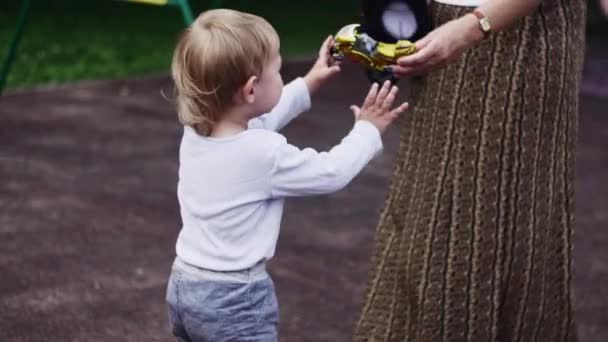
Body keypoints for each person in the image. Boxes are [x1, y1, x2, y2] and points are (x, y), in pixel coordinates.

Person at [165, 9, 409, 341]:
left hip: (183, 285)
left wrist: (309, 83)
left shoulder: (197, 131)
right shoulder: (264, 154)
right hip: (233, 300)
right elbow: (330, 172)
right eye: (278, 70)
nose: (282, 75)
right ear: (251, 89)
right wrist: (367, 129)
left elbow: (260, 118)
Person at [354, 0, 586, 341]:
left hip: (515, 37)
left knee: (480, 224)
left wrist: (474, 26)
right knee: (424, 213)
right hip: (445, 28)